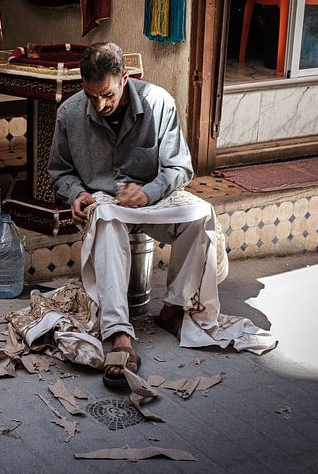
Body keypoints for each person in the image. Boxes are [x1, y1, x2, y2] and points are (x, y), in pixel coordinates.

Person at [49, 42, 257, 390]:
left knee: (201, 215)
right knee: (106, 220)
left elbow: (180, 167)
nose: (100, 105)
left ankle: (175, 308)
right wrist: (76, 192)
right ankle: (119, 335)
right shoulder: (70, 113)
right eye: (91, 96)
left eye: (107, 95)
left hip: (154, 195)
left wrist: (149, 191)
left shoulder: (159, 102)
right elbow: (60, 171)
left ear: (125, 78)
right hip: (105, 201)